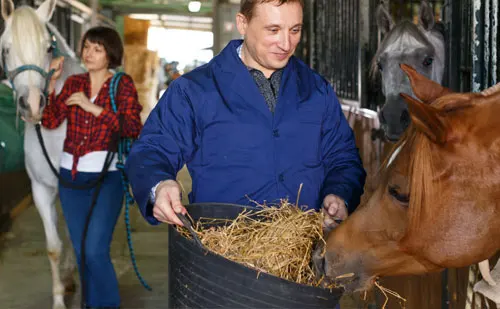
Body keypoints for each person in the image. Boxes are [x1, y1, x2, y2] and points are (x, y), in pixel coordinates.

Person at [125, 0, 366, 230]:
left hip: (304, 253)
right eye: (273, 30)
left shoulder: (316, 89)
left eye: (295, 30)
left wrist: (339, 193)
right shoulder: (195, 90)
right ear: (242, 24)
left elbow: (342, 157)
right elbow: (152, 149)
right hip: (223, 253)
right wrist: (159, 184)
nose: (286, 43)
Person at [42, 26, 143, 309]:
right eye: (86, 47)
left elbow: (133, 127)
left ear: (110, 54)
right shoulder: (73, 83)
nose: (89, 53)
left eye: (97, 48)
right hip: (70, 179)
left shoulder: (121, 85)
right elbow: (50, 121)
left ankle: (107, 304)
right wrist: (50, 90)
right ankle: (90, 303)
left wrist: (93, 108)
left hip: (107, 178)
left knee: (95, 249)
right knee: (81, 250)